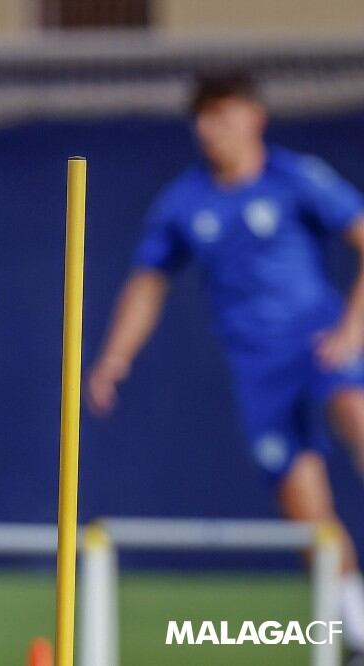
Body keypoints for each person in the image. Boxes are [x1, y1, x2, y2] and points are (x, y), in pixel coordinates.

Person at [87, 72, 364, 657]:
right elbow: (148, 283)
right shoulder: (185, 202)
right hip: (259, 374)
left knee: (352, 407)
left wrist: (351, 330)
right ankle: (354, 626)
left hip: (321, 347)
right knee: (306, 511)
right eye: (205, 117)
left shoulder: (296, 177)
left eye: (227, 113)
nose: (215, 128)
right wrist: (115, 356)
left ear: (255, 116)